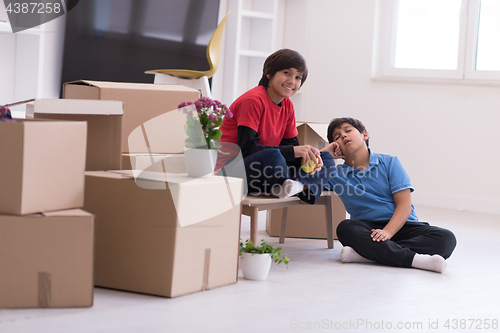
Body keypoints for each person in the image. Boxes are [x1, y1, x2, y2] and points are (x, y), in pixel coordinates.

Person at [321, 117, 456, 273]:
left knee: (446, 238)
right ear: (336, 147)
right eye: (337, 137)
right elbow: (305, 179)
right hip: (368, 229)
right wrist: (324, 155)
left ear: (365, 135)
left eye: (348, 130)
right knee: (345, 228)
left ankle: (366, 255)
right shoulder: (334, 174)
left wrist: (388, 232)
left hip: (403, 226)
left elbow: (404, 206)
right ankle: (414, 259)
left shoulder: (390, 162)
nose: (343, 135)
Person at [217, 49, 334, 204]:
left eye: (298, 77)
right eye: (287, 73)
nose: (292, 81)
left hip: (267, 171)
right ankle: (299, 185)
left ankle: (293, 186)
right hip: (232, 172)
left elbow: (291, 148)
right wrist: (294, 152)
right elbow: (246, 149)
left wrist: (312, 157)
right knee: (273, 156)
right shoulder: (253, 100)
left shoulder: (288, 106)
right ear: (269, 73)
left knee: (325, 158)